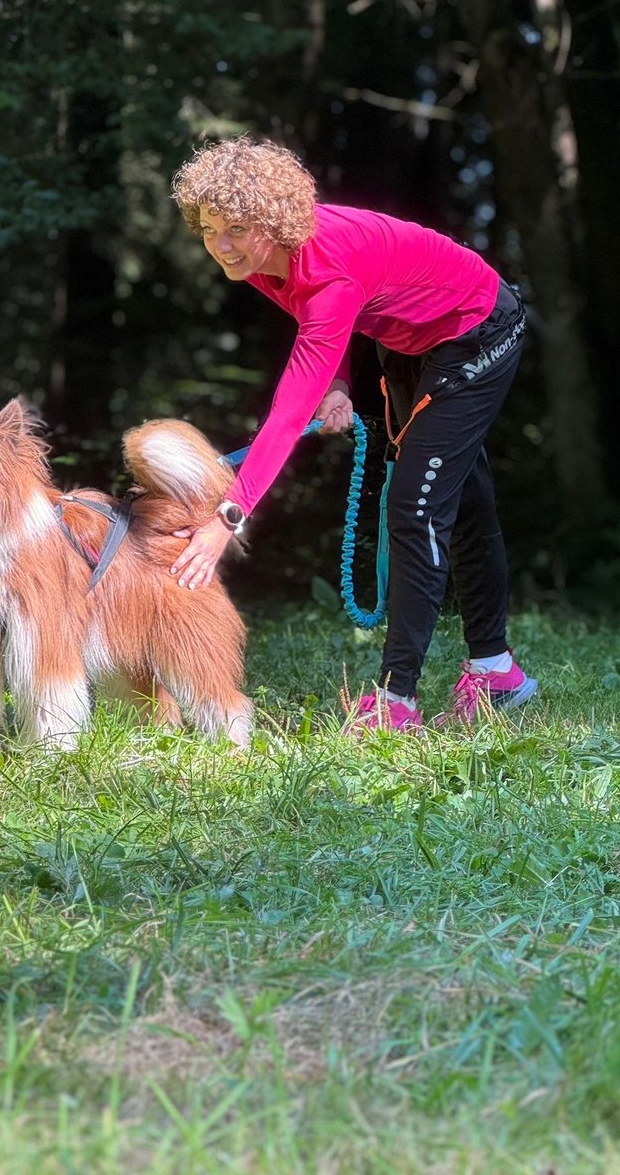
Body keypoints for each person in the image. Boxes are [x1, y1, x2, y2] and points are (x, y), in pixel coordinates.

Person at [168, 135, 537, 732]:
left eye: (235, 229)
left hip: (478, 329)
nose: (221, 245)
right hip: (410, 341)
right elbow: (324, 326)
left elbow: (289, 412)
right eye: (209, 230)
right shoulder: (262, 262)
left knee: (416, 507)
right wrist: (337, 384)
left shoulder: (326, 269)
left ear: (273, 222)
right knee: (460, 497)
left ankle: (397, 702)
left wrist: (227, 518)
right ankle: (497, 673)